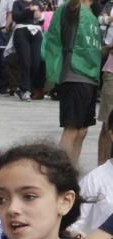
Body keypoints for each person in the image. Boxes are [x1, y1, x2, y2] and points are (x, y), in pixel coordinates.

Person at [42, 0, 100, 164]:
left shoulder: (92, 14)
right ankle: (61, 174)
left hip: (90, 75)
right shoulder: (73, 9)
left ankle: (71, 171)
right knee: (72, 128)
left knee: (82, 130)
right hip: (75, 74)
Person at [11, 0, 45, 102]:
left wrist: (39, 16)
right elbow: (16, 17)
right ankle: (26, 90)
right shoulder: (17, 3)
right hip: (21, 31)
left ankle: (22, 87)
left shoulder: (37, 3)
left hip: (36, 32)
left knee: (36, 63)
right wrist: (28, 10)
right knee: (26, 62)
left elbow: (41, 21)